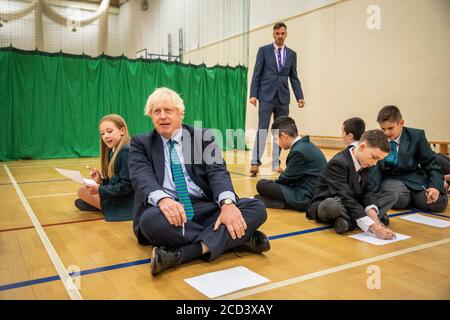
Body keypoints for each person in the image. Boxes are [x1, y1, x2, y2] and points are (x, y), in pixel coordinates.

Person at [128, 87, 270, 276]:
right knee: (149, 221)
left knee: (256, 207)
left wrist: (227, 205)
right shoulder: (140, 143)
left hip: (206, 208)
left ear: (180, 114)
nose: (162, 116)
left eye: (168, 110)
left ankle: (185, 253)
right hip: (171, 212)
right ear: (151, 116)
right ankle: (238, 239)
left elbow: (217, 171)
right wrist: (163, 200)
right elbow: (141, 176)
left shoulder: (202, 137)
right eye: (157, 111)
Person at [307, 130, 398, 239]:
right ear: (362, 147)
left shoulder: (366, 162)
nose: (375, 163)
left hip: (352, 202)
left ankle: (348, 222)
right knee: (332, 205)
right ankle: (357, 220)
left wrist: (373, 217)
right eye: (374, 157)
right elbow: (345, 196)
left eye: (379, 160)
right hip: (331, 202)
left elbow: (367, 192)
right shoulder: (338, 163)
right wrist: (374, 227)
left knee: (391, 196)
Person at [249, 21, 305, 176]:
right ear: (273, 34)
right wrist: (253, 94)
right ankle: (255, 161)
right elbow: (256, 74)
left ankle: (275, 163)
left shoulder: (292, 54)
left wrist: (299, 96)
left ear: (286, 34)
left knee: (281, 131)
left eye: (282, 33)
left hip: (283, 98)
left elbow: (294, 77)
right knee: (263, 129)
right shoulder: (264, 51)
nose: (280, 36)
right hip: (266, 96)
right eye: (277, 33)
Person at [371, 105, 448, 212]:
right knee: (398, 197)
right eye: (383, 129)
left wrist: (435, 187)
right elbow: (375, 169)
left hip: (413, 180)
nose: (386, 133)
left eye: (390, 128)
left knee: (436, 203)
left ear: (401, 123)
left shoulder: (416, 136)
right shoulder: (377, 139)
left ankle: (430, 191)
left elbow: (431, 163)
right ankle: (409, 199)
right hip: (391, 180)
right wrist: (372, 195)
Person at [255, 116, 327, 211]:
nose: (277, 142)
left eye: (276, 139)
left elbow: (285, 180)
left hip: (306, 196)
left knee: (262, 184)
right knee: (265, 188)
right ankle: (276, 201)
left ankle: (285, 203)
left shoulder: (299, 151)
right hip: (313, 191)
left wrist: (272, 183)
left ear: (284, 136)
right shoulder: (305, 145)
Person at [75, 114, 134, 221]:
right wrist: (101, 180)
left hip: (128, 203)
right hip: (120, 197)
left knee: (82, 191)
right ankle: (98, 205)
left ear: (122, 131)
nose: (105, 136)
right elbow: (116, 181)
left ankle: (104, 207)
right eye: (102, 133)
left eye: (109, 131)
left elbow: (127, 186)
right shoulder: (115, 151)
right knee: (80, 200)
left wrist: (99, 189)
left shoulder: (125, 151)